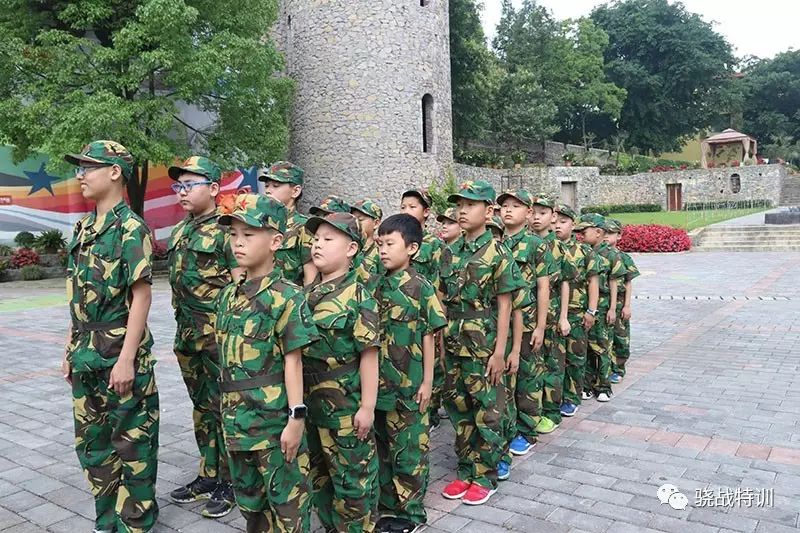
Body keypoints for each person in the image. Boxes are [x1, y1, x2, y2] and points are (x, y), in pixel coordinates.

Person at [62, 140, 160, 533]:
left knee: (133, 443)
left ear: (115, 172)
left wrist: (127, 359)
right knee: (93, 444)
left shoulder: (131, 228)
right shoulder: (83, 227)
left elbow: (142, 296)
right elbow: (76, 294)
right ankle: (107, 519)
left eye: (88, 168)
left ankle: (136, 522)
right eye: (80, 169)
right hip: (86, 354)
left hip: (118, 352)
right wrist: (69, 347)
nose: (80, 176)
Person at [216, 194, 318, 532]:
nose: (238, 242)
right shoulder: (228, 296)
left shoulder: (287, 296)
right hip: (236, 422)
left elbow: (294, 363)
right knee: (251, 507)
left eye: (248, 234)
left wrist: (295, 419)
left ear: (275, 242)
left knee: (289, 510)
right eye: (233, 235)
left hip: (273, 425)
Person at [439, 180, 525, 506]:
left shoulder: (498, 252)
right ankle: (466, 469)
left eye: (470, 205)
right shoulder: (450, 251)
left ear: (489, 212)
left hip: (483, 343)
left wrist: (500, 351)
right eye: (459, 205)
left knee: (488, 410)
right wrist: (440, 342)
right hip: (453, 341)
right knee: (459, 407)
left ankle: (486, 474)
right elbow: (442, 300)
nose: (462, 211)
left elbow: (505, 306)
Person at [166, 156, 240, 517]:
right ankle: (209, 473)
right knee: (202, 408)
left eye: (189, 185)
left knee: (225, 407)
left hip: (217, 338)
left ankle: (232, 480)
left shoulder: (228, 232)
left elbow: (240, 285)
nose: (181, 192)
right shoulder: (180, 230)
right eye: (178, 186)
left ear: (212, 189)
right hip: (188, 335)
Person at [303, 212, 381, 532]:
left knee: (352, 482)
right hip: (310, 405)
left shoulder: (358, 296)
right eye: (315, 239)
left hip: (345, 407)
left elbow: (369, 355)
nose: (317, 245)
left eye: (328, 239)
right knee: (319, 477)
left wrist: (367, 407)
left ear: (351, 249)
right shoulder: (305, 294)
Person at [373, 214, 447, 533]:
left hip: (410, 384)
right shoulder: (375, 285)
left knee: (409, 451)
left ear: (412, 248)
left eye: (390, 244)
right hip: (379, 385)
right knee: (383, 448)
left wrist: (428, 381)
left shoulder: (420, 288)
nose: (383, 250)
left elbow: (430, 336)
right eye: (380, 244)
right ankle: (389, 507)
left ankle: (411, 514)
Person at [497, 190, 555, 466]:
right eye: (504, 206)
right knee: (505, 377)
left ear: (528, 213)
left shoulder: (535, 245)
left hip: (528, 321)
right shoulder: (495, 243)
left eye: (515, 206)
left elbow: (543, 287)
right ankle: (507, 426)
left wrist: (541, 326)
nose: (508, 210)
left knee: (528, 376)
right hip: (500, 323)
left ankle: (527, 428)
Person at [398, 188, 446, 430]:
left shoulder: (434, 245)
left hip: (425, 313)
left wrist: (439, 319)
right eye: (403, 206)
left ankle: (431, 411)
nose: (407, 211)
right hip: (401, 314)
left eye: (413, 207)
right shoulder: (397, 242)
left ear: (426, 212)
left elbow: (439, 285)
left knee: (430, 362)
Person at [528, 196, 570, 433]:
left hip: (552, 314)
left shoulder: (558, 247)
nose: (536, 217)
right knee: (533, 364)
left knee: (552, 363)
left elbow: (565, 283)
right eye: (533, 212)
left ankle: (551, 412)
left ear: (553, 217)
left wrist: (563, 316)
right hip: (529, 313)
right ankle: (533, 410)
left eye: (542, 213)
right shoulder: (526, 243)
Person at [553, 205, 599, 417]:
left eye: (563, 222)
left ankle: (572, 397)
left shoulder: (583, 251)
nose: (558, 226)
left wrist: (591, 310)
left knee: (575, 357)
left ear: (573, 225)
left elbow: (593, 282)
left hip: (576, 312)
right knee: (555, 358)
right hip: (552, 311)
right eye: (555, 222)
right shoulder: (547, 248)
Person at [575, 214, 626, 402]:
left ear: (598, 232)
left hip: (603, 306)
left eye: (584, 231)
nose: (581, 235)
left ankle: (603, 386)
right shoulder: (583, 252)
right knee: (587, 346)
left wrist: (612, 308)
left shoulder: (611, 254)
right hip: (586, 304)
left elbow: (614, 282)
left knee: (603, 346)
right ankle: (587, 385)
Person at [260, 161, 315, 286]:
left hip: (290, 295)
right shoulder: (259, 223)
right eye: (267, 186)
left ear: (295, 191)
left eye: (276, 186)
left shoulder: (304, 226)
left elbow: (310, 278)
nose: (268, 191)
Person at [604, 219, 640, 383]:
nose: (606, 236)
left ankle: (618, 368)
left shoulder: (623, 258)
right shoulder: (597, 256)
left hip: (619, 302)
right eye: (604, 232)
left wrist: (627, 306)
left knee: (621, 337)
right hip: (603, 302)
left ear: (619, 235)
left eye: (610, 233)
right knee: (604, 337)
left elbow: (628, 282)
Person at [351, 199, 383, 285]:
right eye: (353, 219)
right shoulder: (347, 246)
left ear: (376, 223)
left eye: (360, 220)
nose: (356, 223)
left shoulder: (381, 252)